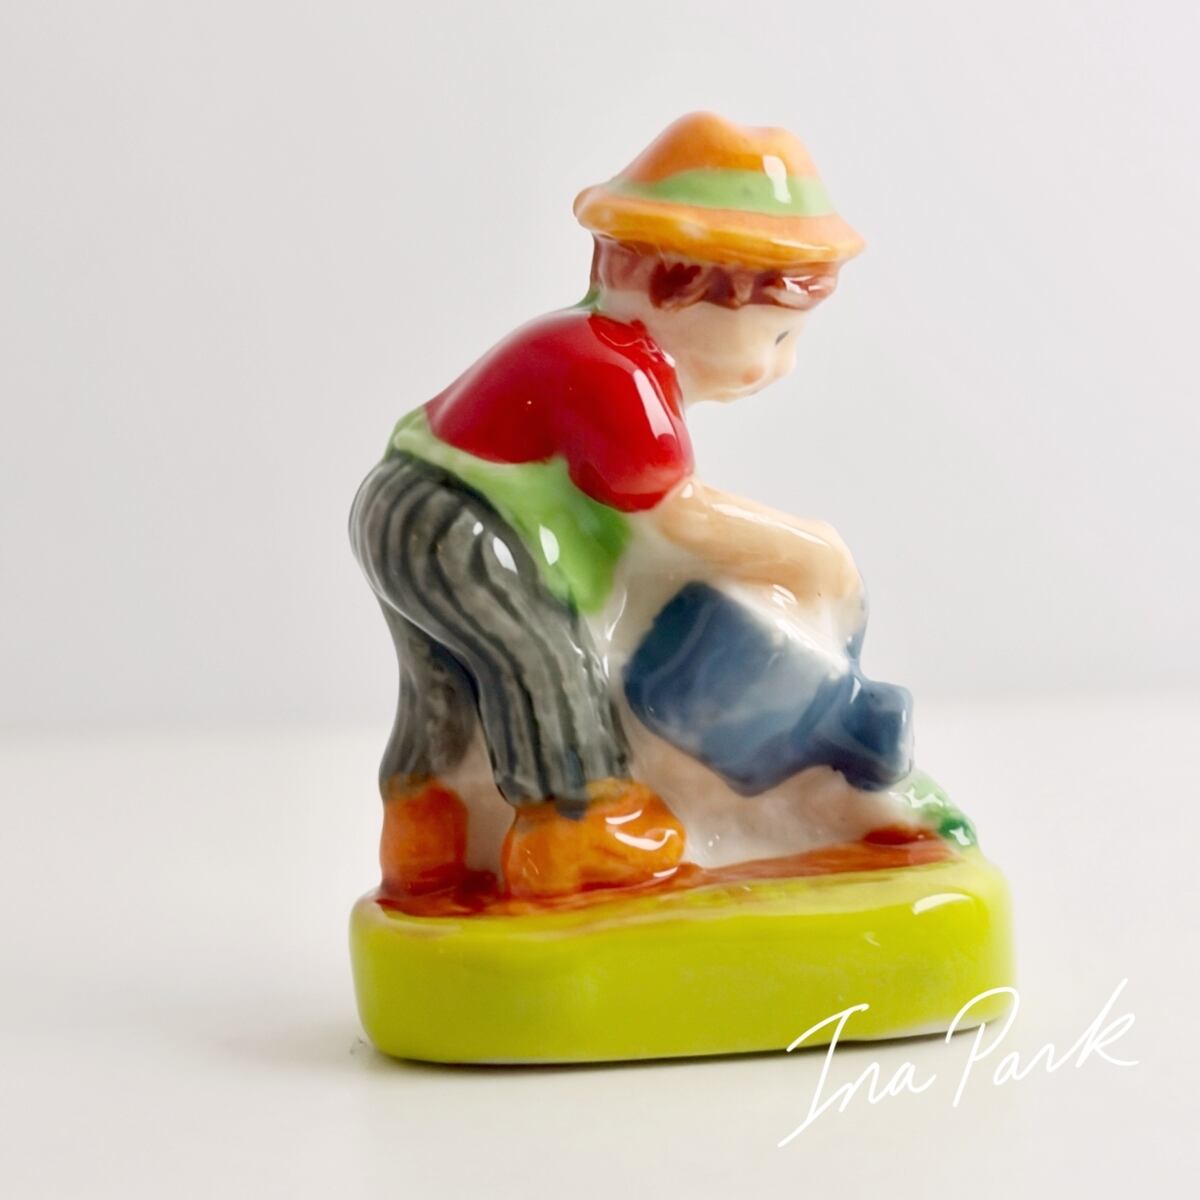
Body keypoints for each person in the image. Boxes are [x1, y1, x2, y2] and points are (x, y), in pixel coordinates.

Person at [351, 112, 873, 900]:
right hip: (453, 526)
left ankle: (429, 828)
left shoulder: (598, 350)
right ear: (686, 286)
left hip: (410, 508)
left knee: (443, 684)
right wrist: (810, 551)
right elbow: (678, 523)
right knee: (544, 661)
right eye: (777, 337)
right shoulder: (616, 369)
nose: (784, 366)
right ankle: (579, 826)